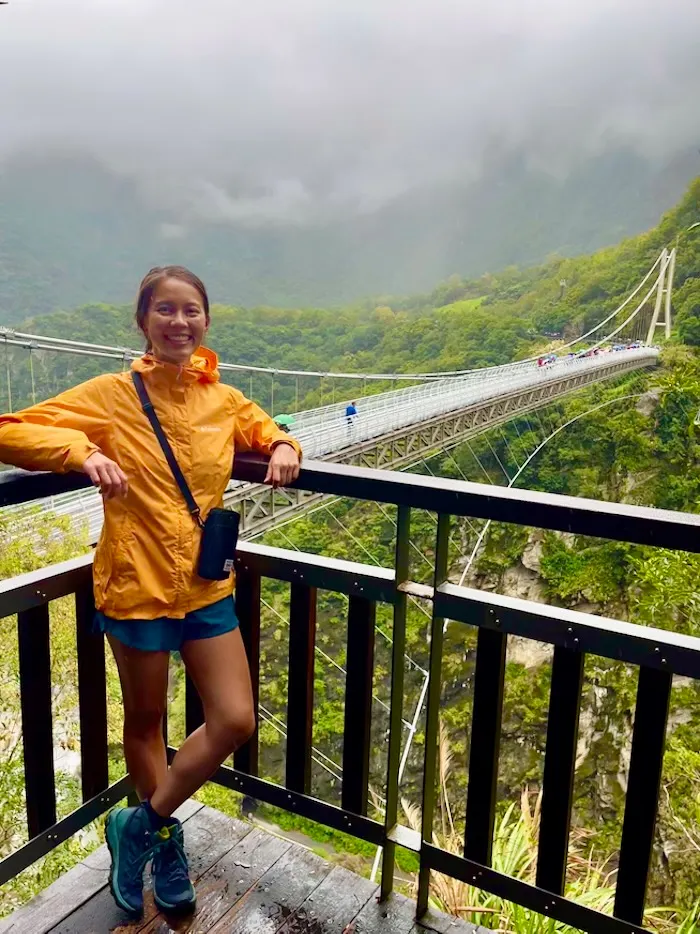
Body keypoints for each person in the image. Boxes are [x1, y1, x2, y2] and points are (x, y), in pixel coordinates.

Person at [0, 266, 301, 917]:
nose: (179, 321)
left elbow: (261, 425)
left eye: (190, 310)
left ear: (205, 321)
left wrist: (280, 440)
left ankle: (137, 825)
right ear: (144, 322)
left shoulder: (221, 398)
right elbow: (12, 428)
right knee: (146, 725)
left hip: (204, 587)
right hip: (135, 586)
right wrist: (79, 452)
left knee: (233, 718)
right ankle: (166, 846)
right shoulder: (113, 395)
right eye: (165, 310)